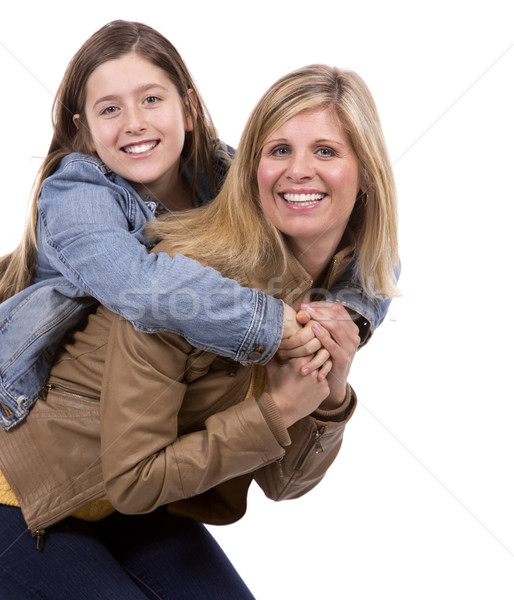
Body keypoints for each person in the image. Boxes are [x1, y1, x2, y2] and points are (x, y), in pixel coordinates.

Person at [0, 63, 399, 598]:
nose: (299, 170)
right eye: (279, 151)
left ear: (366, 174)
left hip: (120, 499)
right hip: (24, 488)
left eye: (326, 151)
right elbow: (136, 477)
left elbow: (284, 484)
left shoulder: (332, 295)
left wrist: (328, 397)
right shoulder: (187, 285)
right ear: (251, 170)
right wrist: (277, 408)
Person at [0, 20, 391, 433]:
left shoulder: (222, 172)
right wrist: (273, 325)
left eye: (151, 99)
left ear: (188, 109)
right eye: (110, 109)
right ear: (86, 132)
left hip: (136, 426)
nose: (134, 122)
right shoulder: (76, 192)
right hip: (32, 417)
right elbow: (139, 285)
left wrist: (346, 318)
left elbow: (372, 240)